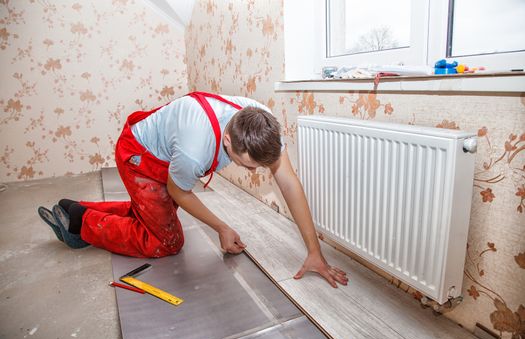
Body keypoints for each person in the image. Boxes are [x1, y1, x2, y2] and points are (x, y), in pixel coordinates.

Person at [38, 91, 348, 288]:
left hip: (168, 152)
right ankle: (82, 224)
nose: (254, 171)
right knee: (164, 241)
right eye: (249, 164)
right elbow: (178, 191)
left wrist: (314, 253)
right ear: (228, 142)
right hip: (139, 156)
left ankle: (76, 208)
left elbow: (290, 183)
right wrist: (221, 228)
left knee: (152, 213)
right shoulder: (193, 151)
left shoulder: (260, 123)